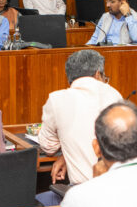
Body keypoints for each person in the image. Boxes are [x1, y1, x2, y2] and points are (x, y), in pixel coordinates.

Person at [38, 49, 123, 186]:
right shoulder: (114, 94)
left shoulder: (57, 99)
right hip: (119, 188)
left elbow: (48, 147)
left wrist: (67, 153)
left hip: (83, 191)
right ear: (97, 74)